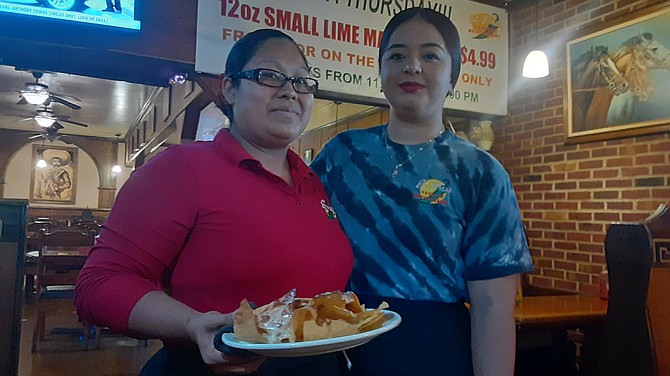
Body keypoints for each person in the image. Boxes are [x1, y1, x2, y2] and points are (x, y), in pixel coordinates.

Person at [75, 29, 353, 376]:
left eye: (301, 80)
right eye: (269, 75)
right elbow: (99, 285)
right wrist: (193, 325)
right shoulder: (180, 169)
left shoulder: (314, 183)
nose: (289, 91)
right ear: (229, 88)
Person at [311, 7, 533, 376]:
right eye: (396, 55)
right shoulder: (341, 154)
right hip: (340, 343)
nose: (411, 66)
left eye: (430, 55)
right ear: (381, 73)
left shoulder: (481, 172)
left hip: (436, 352)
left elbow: (493, 306)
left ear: (452, 77)